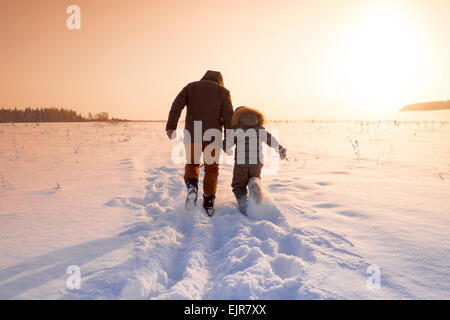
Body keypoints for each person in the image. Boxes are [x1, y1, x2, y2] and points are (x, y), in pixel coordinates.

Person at [165, 70, 234, 216]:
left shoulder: (191, 87)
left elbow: (176, 105)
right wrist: (228, 140)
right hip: (213, 137)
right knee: (211, 169)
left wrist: (171, 126)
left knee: (192, 163)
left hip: (192, 135)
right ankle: (208, 202)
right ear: (220, 81)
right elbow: (229, 117)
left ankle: (192, 187)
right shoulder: (223, 91)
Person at [223, 106, 287, 214]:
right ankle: (254, 182)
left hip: (241, 164)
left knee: (238, 186)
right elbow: (270, 140)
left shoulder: (237, 130)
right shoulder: (260, 129)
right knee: (255, 176)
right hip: (257, 163)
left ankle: (244, 206)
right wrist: (280, 149)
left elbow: (226, 145)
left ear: (237, 117)